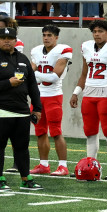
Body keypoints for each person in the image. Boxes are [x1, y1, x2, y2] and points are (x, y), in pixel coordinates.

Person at [0, 26, 43, 191]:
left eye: (10, 38)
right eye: (3, 38)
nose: (7, 41)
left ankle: (25, 178)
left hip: (21, 109)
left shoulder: (23, 58)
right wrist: (8, 83)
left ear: (15, 40)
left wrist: (37, 107)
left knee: (22, 146)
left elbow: (32, 84)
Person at [68, 18, 107, 181]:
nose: (97, 34)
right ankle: (89, 165)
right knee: (90, 132)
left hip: (106, 94)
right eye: (94, 31)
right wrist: (76, 92)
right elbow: (84, 74)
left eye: (100, 31)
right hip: (89, 93)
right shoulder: (86, 47)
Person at [27, 24, 70, 176]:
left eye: (49, 35)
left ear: (56, 37)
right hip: (37, 97)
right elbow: (30, 70)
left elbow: (54, 76)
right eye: (44, 35)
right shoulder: (36, 51)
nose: (46, 38)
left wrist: (35, 76)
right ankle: (43, 165)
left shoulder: (63, 50)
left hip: (53, 95)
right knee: (40, 131)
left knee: (56, 132)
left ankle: (63, 166)